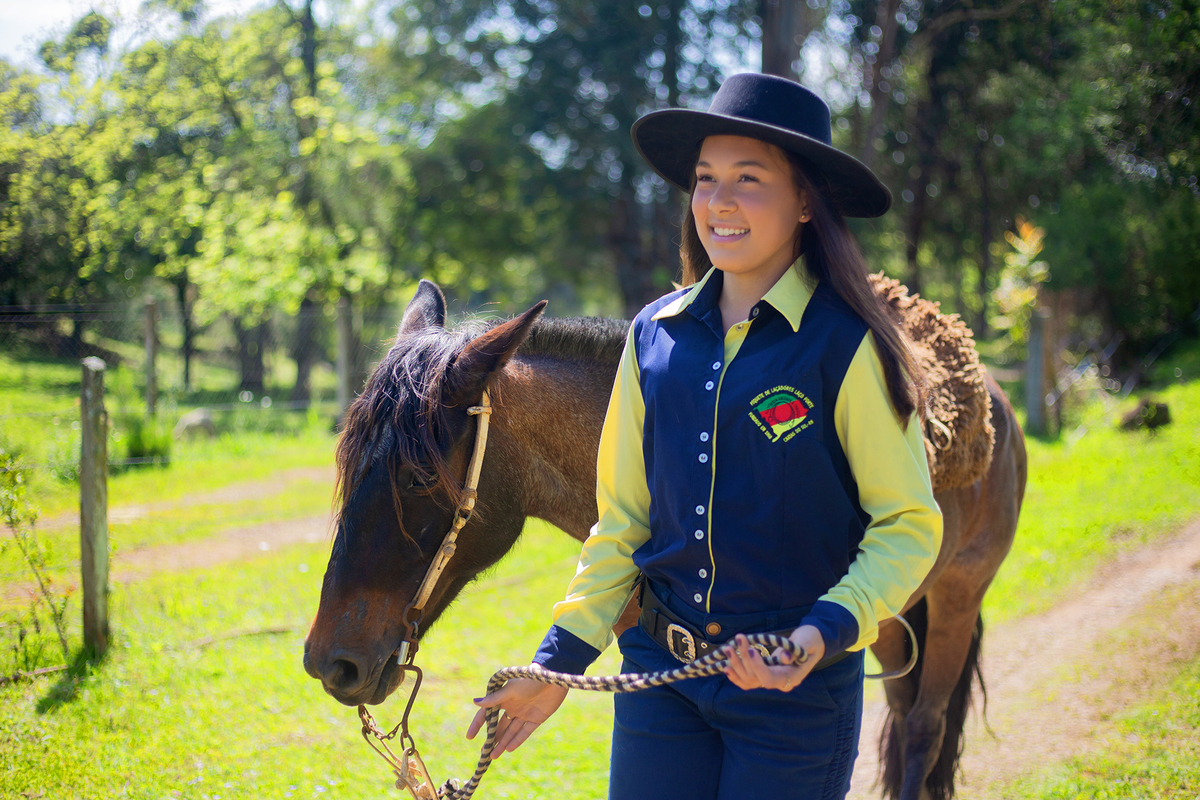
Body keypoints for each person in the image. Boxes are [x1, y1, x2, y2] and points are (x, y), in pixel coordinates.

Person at [466, 72, 943, 800]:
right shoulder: (652, 338)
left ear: (806, 200)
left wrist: (816, 636)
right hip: (661, 682)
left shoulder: (848, 347)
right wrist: (557, 665)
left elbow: (906, 526)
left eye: (748, 179)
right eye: (705, 179)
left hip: (795, 697)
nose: (718, 201)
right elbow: (623, 522)